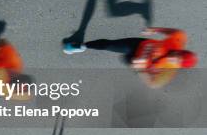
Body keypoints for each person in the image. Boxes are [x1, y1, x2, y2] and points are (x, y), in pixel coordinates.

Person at [63, 27, 198, 87]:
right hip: (138, 44)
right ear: (182, 50)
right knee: (109, 45)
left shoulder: (168, 72)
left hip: (136, 62)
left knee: (125, 59)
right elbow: (174, 31)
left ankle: (130, 61)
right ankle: (82, 46)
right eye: (178, 53)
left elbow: (152, 83)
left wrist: (140, 70)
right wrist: (155, 30)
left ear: (179, 65)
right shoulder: (178, 40)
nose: (174, 56)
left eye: (177, 60)